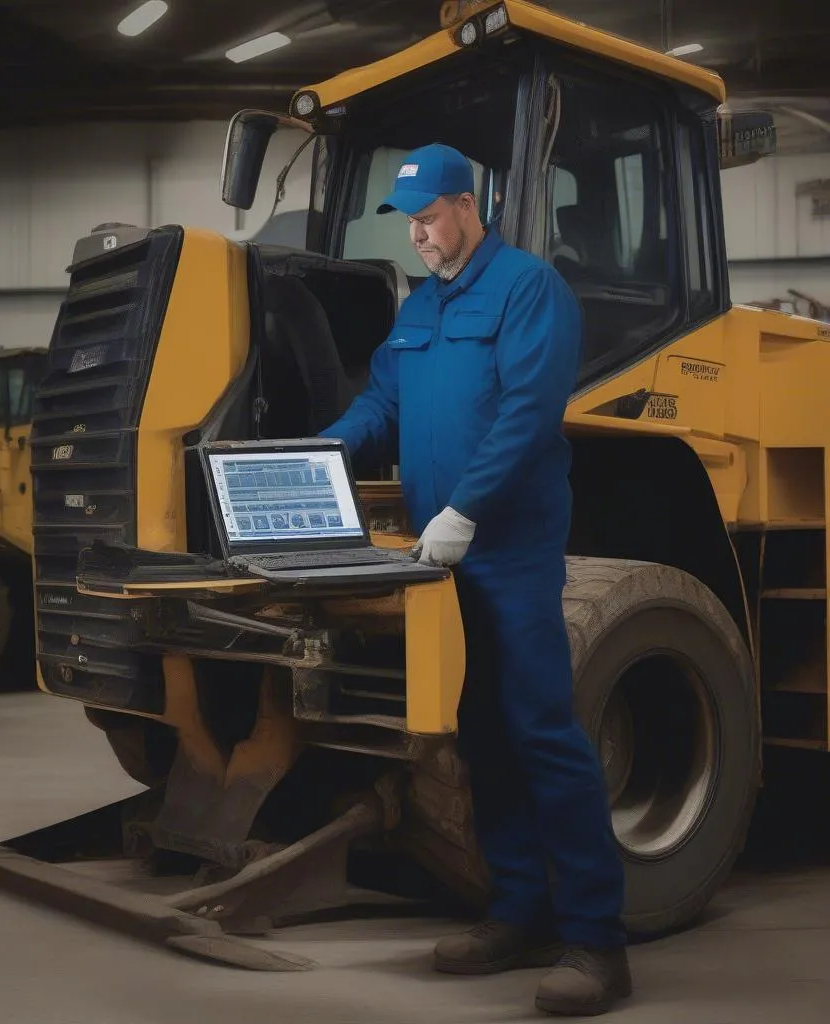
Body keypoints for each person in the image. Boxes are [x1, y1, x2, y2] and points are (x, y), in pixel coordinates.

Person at [319, 144, 631, 1016]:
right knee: (481, 737)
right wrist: (321, 448)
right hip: (442, 560)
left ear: (467, 205)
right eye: (407, 222)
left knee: (543, 735)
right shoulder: (419, 307)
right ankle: (518, 912)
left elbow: (530, 413)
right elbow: (383, 402)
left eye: (427, 216)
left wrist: (465, 510)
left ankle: (598, 943)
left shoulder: (530, 289)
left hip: (510, 550)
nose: (416, 234)